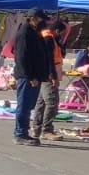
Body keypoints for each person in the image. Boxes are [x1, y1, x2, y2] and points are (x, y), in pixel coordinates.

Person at [12, 9, 54, 146]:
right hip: (27, 76)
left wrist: (45, 73)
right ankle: (20, 134)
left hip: (35, 75)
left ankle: (24, 131)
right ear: (33, 18)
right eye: (41, 19)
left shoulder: (34, 32)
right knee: (23, 105)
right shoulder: (25, 32)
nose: (44, 22)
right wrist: (30, 76)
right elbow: (21, 57)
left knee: (29, 105)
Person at [31, 18, 67, 138]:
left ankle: (37, 128)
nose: (62, 36)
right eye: (61, 33)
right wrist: (52, 75)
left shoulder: (48, 37)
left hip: (45, 74)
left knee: (41, 102)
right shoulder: (48, 39)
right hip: (48, 76)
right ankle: (47, 130)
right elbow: (49, 59)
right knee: (52, 102)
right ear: (57, 30)